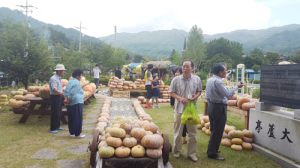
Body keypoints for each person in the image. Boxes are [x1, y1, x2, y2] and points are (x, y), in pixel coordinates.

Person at [205, 62, 245, 161]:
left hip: (212, 106)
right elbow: (228, 94)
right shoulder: (218, 81)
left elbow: (207, 96)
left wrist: (212, 104)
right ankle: (212, 153)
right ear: (220, 72)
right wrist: (237, 87)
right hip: (219, 108)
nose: (226, 72)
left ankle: (212, 149)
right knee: (218, 131)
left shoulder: (210, 80)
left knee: (214, 129)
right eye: (225, 70)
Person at [169, 60, 202, 162]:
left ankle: (192, 153)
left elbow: (199, 91)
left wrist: (195, 96)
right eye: (183, 66)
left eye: (187, 67)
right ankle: (177, 151)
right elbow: (171, 92)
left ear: (192, 68)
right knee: (178, 131)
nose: (185, 68)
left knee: (192, 132)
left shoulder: (197, 79)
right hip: (179, 109)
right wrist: (180, 98)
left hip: (192, 109)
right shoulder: (176, 79)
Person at [64, 69, 85, 138]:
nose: (81, 77)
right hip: (76, 102)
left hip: (70, 104)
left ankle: (72, 132)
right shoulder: (77, 83)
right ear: (77, 75)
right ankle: (77, 133)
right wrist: (69, 100)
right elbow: (73, 93)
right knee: (77, 118)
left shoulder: (69, 82)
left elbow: (66, 92)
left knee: (71, 118)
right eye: (81, 75)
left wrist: (66, 100)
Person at [49, 64, 65, 134]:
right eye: (63, 71)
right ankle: (53, 128)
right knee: (55, 112)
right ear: (59, 71)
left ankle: (57, 126)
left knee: (59, 112)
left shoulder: (58, 78)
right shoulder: (53, 78)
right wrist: (59, 93)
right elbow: (54, 88)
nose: (64, 72)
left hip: (59, 96)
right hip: (55, 97)